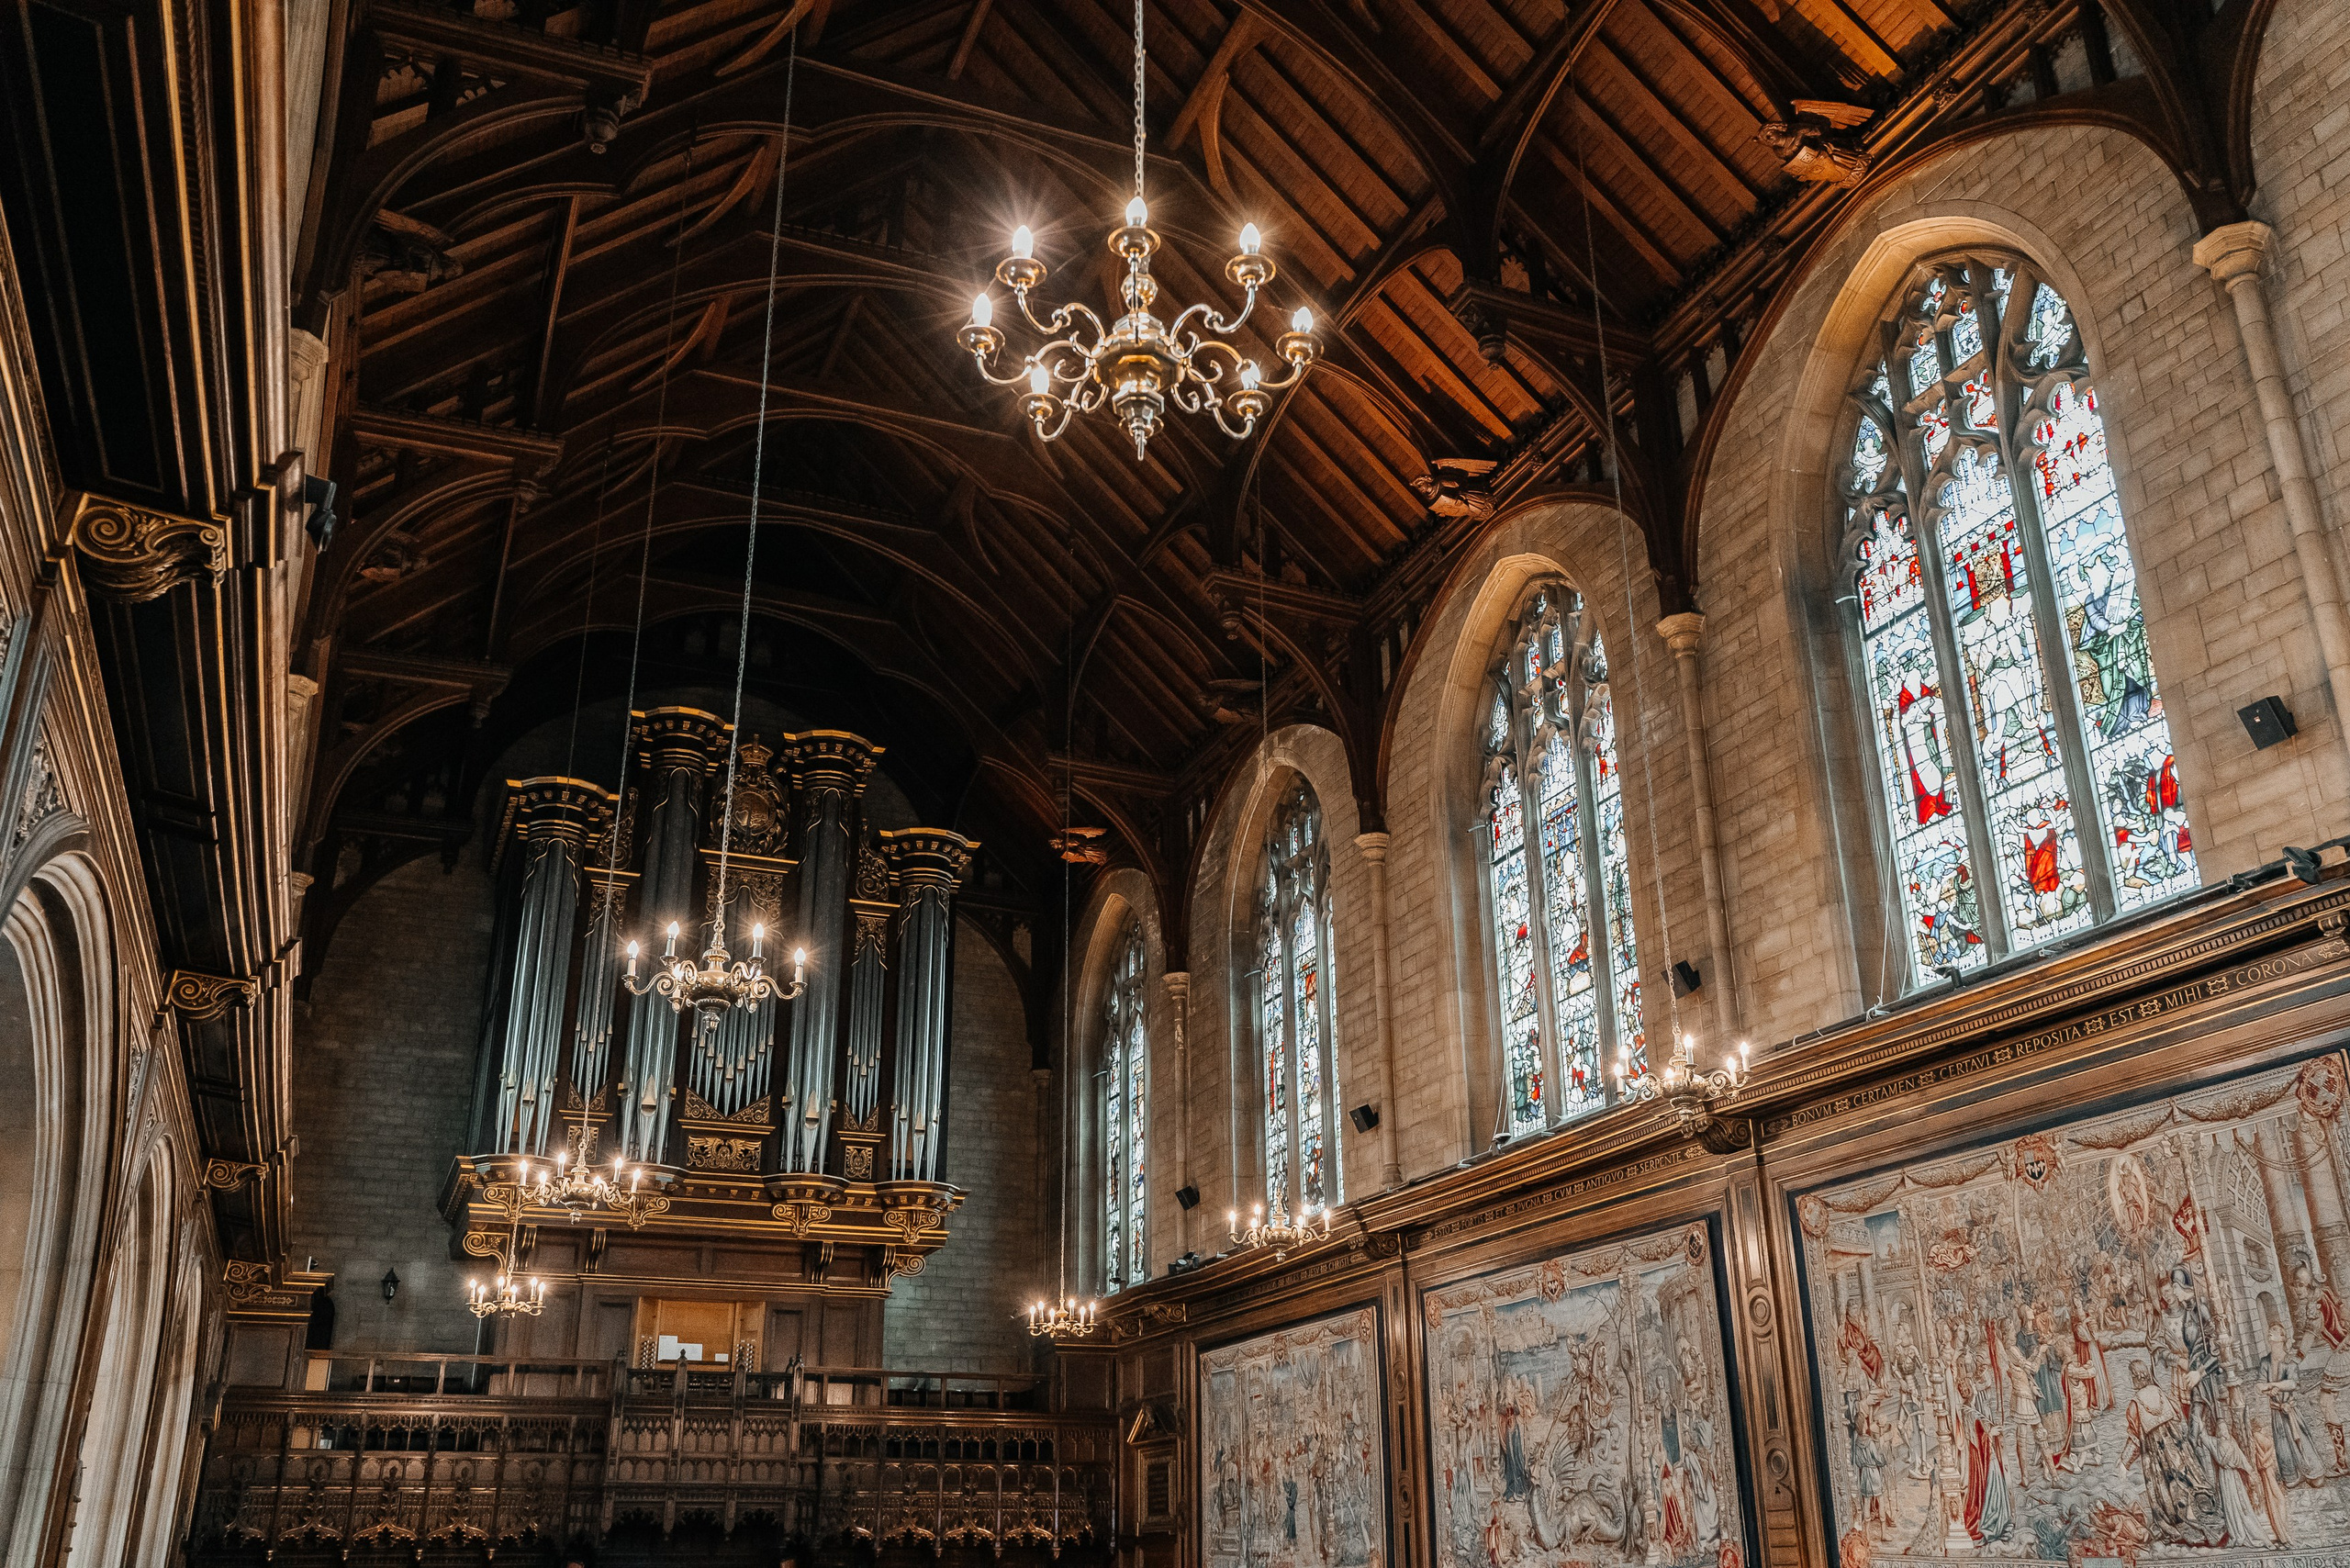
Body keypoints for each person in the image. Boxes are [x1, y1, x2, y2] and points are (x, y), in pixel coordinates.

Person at [2121, 1359, 2225, 1547]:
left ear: (2135, 1377)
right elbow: (2177, 1418)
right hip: (2178, 1451)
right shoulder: (2161, 1393)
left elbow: (2135, 1440)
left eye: (2130, 1376)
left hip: (2158, 1458)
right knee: (2189, 1481)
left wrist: (2124, 1462)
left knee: (2167, 1491)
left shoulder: (2135, 1405)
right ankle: (2205, 1523)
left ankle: (2184, 1529)